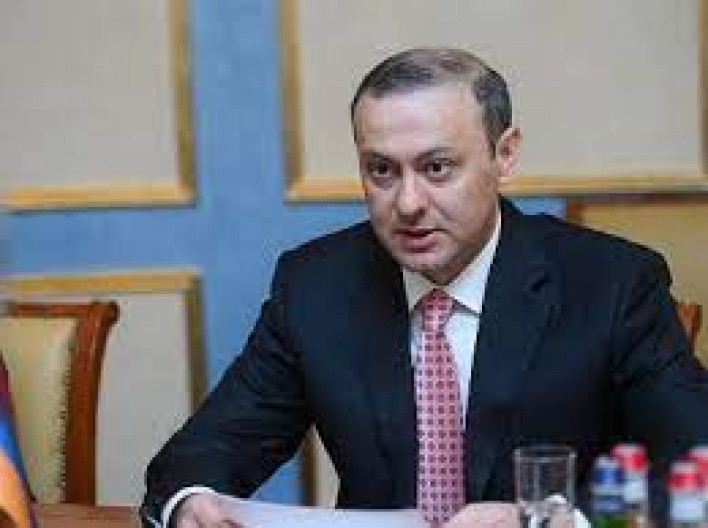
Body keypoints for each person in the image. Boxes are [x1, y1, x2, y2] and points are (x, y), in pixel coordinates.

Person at [140, 47, 708, 528]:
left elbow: (698, 463)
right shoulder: (315, 285)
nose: (408, 204)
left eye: (437, 168)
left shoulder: (611, 283)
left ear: (504, 154)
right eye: (381, 171)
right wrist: (191, 502)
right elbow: (204, 452)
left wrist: (550, 519)